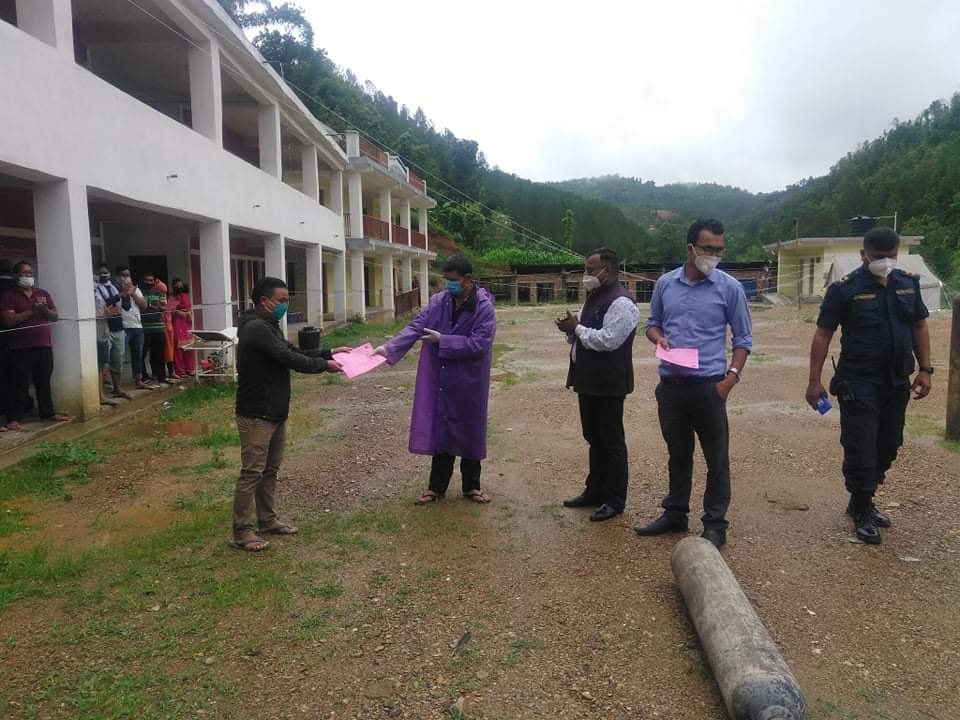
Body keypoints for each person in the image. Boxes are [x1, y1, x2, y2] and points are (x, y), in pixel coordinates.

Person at [805, 226, 932, 545]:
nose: (885, 262)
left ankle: (863, 497)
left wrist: (926, 369)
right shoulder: (843, 289)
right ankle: (862, 506)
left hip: (896, 380)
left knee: (889, 444)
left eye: (891, 256)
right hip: (859, 381)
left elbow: (919, 325)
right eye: (878, 256)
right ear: (864, 255)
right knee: (861, 446)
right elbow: (823, 334)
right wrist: (814, 381)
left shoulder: (908, 284)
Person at [634, 219, 752, 548]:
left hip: (709, 387)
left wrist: (730, 380)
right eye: (707, 249)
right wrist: (658, 337)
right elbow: (652, 324)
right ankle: (675, 513)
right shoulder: (665, 284)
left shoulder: (730, 288)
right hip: (671, 386)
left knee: (717, 459)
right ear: (691, 249)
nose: (714, 256)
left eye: (719, 250)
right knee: (678, 453)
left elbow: (743, 340)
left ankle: (715, 523)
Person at [232, 276, 347, 551]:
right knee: (252, 472)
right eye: (282, 301)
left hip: (274, 410)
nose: (286, 305)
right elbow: (289, 359)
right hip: (257, 412)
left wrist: (329, 351)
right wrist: (324, 365)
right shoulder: (256, 328)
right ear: (264, 301)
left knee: (270, 470)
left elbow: (291, 350)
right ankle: (242, 531)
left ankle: (267, 520)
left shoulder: (269, 325)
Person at [373, 254, 496, 505]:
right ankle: (436, 488)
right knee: (443, 429)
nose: (449, 284)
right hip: (442, 377)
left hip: (470, 380)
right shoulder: (439, 301)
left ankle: (472, 486)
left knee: (470, 430)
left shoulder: (483, 308)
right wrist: (389, 348)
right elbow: (416, 326)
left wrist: (444, 340)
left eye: (453, 280)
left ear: (467, 279)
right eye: (446, 279)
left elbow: (480, 344)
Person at [556, 248, 640, 521]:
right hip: (588, 379)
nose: (586, 275)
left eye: (590, 270)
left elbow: (608, 340)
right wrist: (570, 331)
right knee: (593, 437)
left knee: (611, 440)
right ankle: (594, 491)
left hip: (609, 382)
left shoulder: (622, 302)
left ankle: (614, 499)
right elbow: (582, 332)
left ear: (608, 270)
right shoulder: (594, 296)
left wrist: (577, 328)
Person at [0, 261, 70, 431]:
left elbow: (55, 316)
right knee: (19, 383)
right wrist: (32, 311)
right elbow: (8, 320)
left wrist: (44, 310)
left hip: (43, 344)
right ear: (16, 276)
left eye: (30, 273)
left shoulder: (42, 293)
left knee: (43, 380)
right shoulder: (9, 296)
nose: (28, 276)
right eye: (24, 273)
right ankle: (14, 418)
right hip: (20, 346)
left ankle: (48, 413)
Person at [94, 263, 131, 401]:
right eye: (101, 273)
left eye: (106, 272)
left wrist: (126, 295)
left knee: (118, 360)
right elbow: (103, 304)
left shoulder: (115, 287)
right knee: (103, 362)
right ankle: (101, 393)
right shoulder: (96, 288)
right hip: (105, 328)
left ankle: (117, 388)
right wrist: (120, 295)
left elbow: (126, 307)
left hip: (118, 327)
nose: (104, 275)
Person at [116, 268, 153, 390]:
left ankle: (138, 380)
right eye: (123, 275)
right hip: (122, 327)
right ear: (118, 277)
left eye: (128, 275)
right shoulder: (115, 290)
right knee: (119, 357)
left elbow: (144, 305)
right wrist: (123, 293)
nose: (126, 277)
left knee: (138, 355)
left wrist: (132, 293)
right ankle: (117, 385)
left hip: (137, 326)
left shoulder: (136, 290)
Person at [140, 272, 169, 385]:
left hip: (159, 327)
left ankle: (160, 376)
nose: (149, 282)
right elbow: (139, 307)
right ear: (143, 281)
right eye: (147, 280)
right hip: (145, 328)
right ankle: (144, 377)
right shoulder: (140, 292)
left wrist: (158, 306)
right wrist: (148, 305)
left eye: (151, 280)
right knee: (142, 354)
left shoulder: (159, 292)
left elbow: (164, 307)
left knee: (159, 354)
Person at [169, 278, 195, 377]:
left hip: (187, 322)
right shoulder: (172, 297)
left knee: (189, 346)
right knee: (179, 347)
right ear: (174, 286)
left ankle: (190, 369)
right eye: (177, 285)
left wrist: (189, 313)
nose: (179, 287)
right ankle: (180, 370)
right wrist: (179, 313)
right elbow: (170, 310)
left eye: (181, 285)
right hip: (177, 322)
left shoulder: (185, 296)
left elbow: (190, 307)